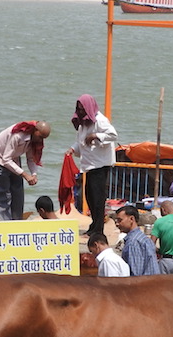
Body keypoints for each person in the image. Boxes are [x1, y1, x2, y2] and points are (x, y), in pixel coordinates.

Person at [69, 94, 117, 238]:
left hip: (100, 164)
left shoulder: (100, 121)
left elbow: (113, 135)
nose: (80, 112)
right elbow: (81, 142)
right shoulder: (83, 124)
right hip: (89, 165)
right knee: (89, 196)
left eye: (82, 109)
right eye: (78, 109)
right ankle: (94, 225)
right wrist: (72, 149)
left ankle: (98, 229)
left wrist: (96, 136)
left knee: (97, 197)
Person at [0, 120, 50, 222]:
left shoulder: (34, 140)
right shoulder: (18, 136)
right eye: (40, 137)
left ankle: (17, 224)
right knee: (3, 197)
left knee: (18, 196)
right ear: (35, 131)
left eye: (43, 139)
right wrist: (25, 175)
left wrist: (34, 174)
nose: (40, 141)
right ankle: (5, 226)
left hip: (14, 160)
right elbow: (6, 159)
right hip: (0, 161)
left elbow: (31, 159)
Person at [114, 205, 159, 276]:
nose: (117, 224)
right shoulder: (142, 237)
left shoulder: (133, 242)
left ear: (131, 219)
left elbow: (135, 275)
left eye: (120, 220)